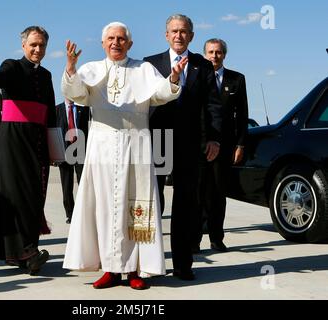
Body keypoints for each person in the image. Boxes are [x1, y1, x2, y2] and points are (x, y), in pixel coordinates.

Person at [61, 22, 187, 290]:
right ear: (103, 42)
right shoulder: (91, 70)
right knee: (104, 208)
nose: (115, 42)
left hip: (136, 145)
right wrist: (71, 68)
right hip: (102, 147)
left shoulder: (143, 69)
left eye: (121, 39)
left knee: (137, 206)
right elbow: (76, 93)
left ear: (129, 44)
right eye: (110, 38)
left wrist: (174, 78)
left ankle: (135, 270)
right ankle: (110, 268)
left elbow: (162, 94)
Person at [144, 14, 222, 280]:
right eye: (174, 31)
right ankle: (148, 261)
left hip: (189, 143)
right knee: (151, 200)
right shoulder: (150, 64)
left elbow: (213, 104)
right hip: (157, 139)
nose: (179, 35)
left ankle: (182, 263)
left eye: (184, 31)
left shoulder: (202, 65)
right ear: (166, 35)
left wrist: (214, 138)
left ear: (191, 36)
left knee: (186, 203)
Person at [0, 26, 56, 275]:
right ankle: (26, 251)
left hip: (37, 140)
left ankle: (26, 252)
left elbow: (51, 112)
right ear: (23, 45)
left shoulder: (46, 75)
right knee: (16, 194)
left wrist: (56, 145)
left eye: (41, 45)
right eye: (33, 44)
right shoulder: (12, 65)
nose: (37, 49)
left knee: (35, 195)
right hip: (12, 140)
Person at [198, 38, 249, 252]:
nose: (214, 56)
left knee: (218, 193)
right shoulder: (197, 77)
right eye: (210, 52)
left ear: (224, 55)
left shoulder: (236, 79)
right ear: (204, 54)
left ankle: (216, 238)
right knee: (198, 192)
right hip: (199, 144)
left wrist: (241, 145)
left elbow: (243, 114)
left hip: (225, 146)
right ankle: (194, 239)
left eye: (218, 52)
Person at [55, 98, 90, 224]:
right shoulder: (57, 110)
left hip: (80, 151)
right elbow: (54, 131)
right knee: (66, 186)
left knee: (83, 184)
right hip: (64, 152)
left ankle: (83, 212)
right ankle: (70, 214)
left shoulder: (84, 110)